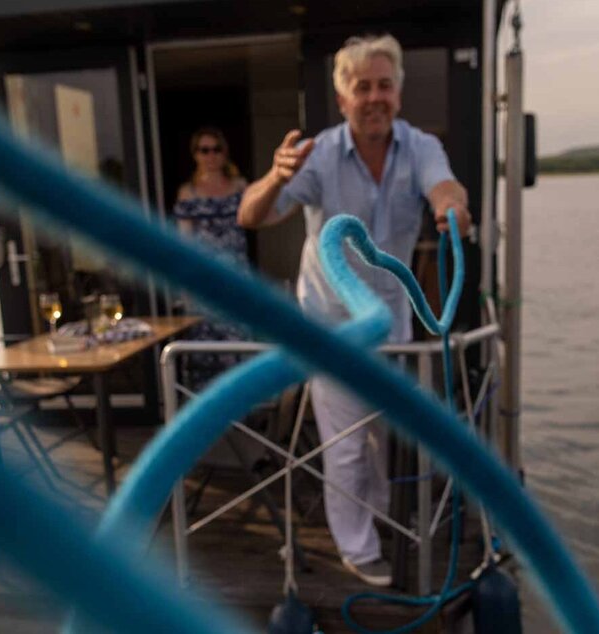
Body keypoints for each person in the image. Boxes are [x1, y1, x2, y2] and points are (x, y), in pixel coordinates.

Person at [237, 34, 471, 587]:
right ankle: (358, 547)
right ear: (342, 100)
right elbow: (251, 215)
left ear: (398, 94)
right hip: (329, 327)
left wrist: (453, 211)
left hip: (393, 324)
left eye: (383, 85)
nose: (374, 97)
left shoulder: (419, 146)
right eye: (361, 87)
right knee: (345, 447)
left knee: (381, 436)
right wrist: (276, 176)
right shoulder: (316, 155)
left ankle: (384, 520)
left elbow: (446, 189)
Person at [172, 126, 249, 390]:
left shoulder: (240, 187)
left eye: (216, 149)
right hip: (204, 284)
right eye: (204, 150)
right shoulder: (188, 193)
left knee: (238, 350)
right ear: (195, 154)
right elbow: (184, 244)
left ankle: (242, 418)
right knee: (204, 354)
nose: (211, 156)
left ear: (224, 152)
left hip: (236, 280)